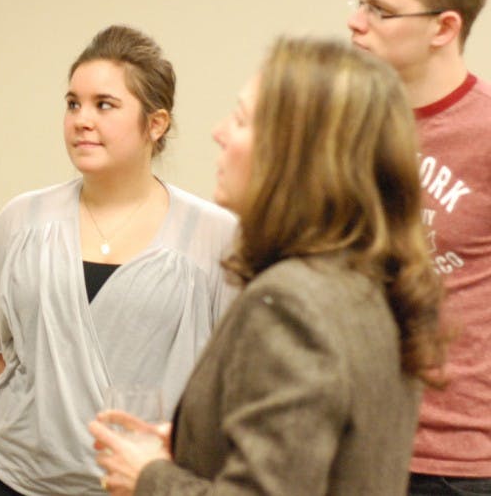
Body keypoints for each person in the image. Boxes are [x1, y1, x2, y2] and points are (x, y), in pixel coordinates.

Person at [89, 38, 446, 495]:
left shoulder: (292, 305)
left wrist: (148, 477)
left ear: (294, 154)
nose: (218, 132)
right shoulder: (364, 281)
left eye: (240, 120)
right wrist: (193, 447)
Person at [0, 25, 237, 495]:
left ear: (155, 124)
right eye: (73, 103)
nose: (82, 120)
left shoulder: (214, 237)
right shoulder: (20, 222)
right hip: (14, 479)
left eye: (104, 105)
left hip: (139, 484)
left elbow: (232, 374)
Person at [347, 0, 491, 495]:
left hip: (454, 459)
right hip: (351, 437)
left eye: (380, 10)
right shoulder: (347, 123)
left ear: (443, 27)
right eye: (358, 0)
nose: (356, 21)